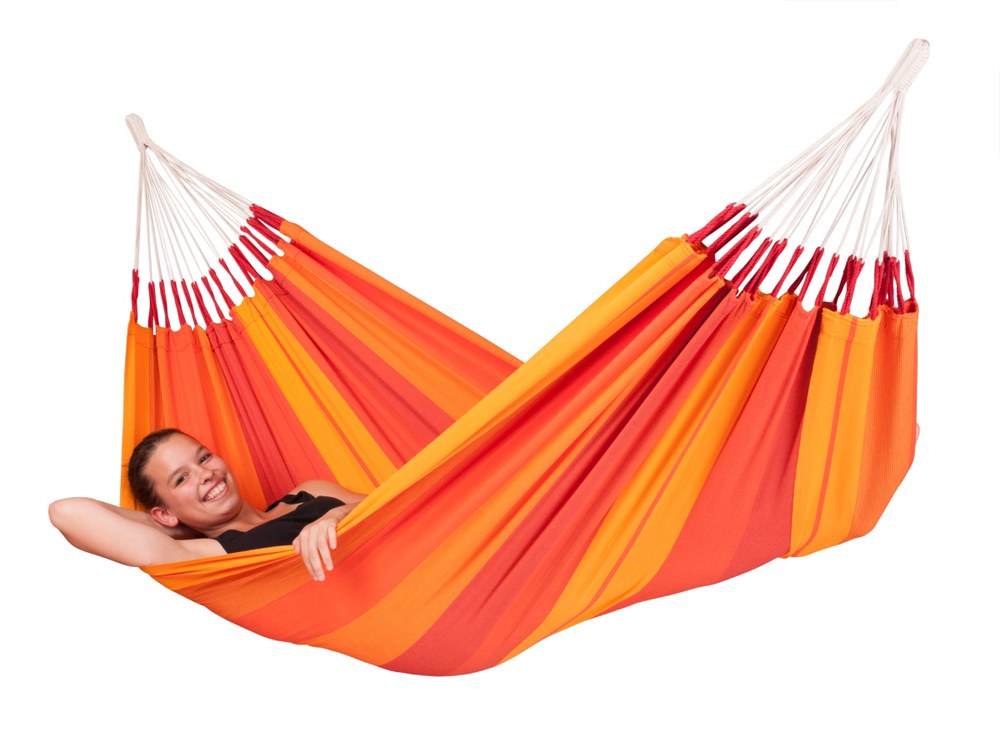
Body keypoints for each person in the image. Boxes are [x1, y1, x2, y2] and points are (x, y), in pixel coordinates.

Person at [48, 428, 368, 581]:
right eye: (181, 479)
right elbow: (65, 512)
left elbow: (391, 508)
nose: (205, 474)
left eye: (203, 458)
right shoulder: (212, 555)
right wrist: (172, 525)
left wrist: (335, 516)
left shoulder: (309, 492)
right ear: (163, 514)